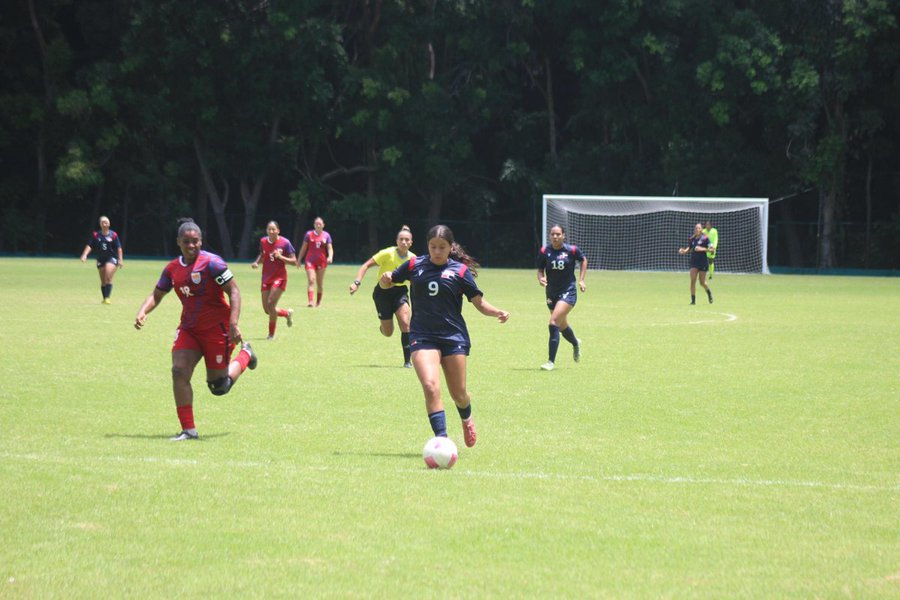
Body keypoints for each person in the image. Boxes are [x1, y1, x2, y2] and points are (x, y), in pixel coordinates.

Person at [379, 225, 509, 448]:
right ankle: (442, 440)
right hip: (422, 335)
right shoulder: (413, 265)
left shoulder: (459, 271)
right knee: (430, 386)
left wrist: (496, 311)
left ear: (451, 247)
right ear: (427, 246)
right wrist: (385, 279)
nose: (437, 251)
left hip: (453, 337)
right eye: (432, 247)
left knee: (459, 394)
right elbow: (388, 282)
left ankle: (467, 419)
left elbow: (478, 302)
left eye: (442, 247)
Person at [134, 218, 257, 441]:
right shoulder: (172, 269)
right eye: (186, 241)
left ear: (201, 241)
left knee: (219, 387)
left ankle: (246, 354)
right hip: (189, 329)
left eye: (196, 241)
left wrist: (233, 323)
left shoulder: (213, 263)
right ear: (178, 242)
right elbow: (157, 294)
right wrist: (143, 311)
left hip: (217, 330)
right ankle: (189, 430)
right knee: (178, 370)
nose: (192, 246)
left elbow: (234, 292)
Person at [349, 225, 416, 367]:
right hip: (382, 293)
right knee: (388, 332)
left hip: (400, 292)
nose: (404, 242)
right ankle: (383, 326)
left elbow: (416, 279)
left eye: (407, 240)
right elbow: (366, 265)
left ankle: (407, 362)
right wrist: (357, 283)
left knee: (405, 323)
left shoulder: (413, 259)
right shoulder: (387, 253)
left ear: (411, 242)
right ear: (397, 241)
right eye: (401, 239)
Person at [536, 224, 587, 371]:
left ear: (563, 235)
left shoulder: (571, 250)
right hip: (551, 293)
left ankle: (550, 362)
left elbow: (583, 260)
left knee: (553, 323)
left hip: (568, 292)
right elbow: (540, 270)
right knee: (562, 326)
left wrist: (581, 279)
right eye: (553, 234)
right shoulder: (545, 251)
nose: (555, 237)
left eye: (558, 234)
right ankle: (575, 343)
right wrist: (540, 278)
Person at [251, 220, 296, 339]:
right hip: (266, 278)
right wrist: (256, 262)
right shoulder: (263, 241)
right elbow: (262, 254)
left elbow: (294, 261)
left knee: (271, 304)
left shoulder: (285, 243)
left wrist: (280, 257)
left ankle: (271, 335)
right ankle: (286, 313)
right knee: (267, 310)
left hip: (280, 278)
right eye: (269, 229)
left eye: (273, 229)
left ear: (278, 231)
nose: (271, 231)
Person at [80, 215, 124, 304]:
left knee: (108, 274)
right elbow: (90, 246)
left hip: (111, 258)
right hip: (101, 259)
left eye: (107, 222)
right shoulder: (96, 235)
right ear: (100, 224)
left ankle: (107, 298)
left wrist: (120, 259)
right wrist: (85, 255)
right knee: (103, 280)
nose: (105, 223)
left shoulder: (113, 235)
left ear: (109, 224)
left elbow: (119, 248)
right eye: (103, 222)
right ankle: (104, 298)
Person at [296, 216, 333, 307]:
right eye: (316, 224)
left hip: (322, 262)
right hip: (310, 261)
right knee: (311, 280)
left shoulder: (326, 235)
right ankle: (310, 301)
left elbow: (330, 248)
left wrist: (330, 256)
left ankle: (318, 302)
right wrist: (299, 259)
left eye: (320, 224)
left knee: (319, 283)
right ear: (314, 225)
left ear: (323, 225)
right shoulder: (309, 235)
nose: (318, 225)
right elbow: (304, 248)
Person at [679, 223, 714, 305]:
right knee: (693, 280)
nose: (697, 229)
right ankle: (693, 301)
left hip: (703, 263)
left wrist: (703, 249)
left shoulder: (705, 238)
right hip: (694, 263)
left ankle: (709, 292)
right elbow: (690, 248)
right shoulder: (692, 238)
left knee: (702, 283)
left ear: (701, 229)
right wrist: (684, 251)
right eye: (695, 228)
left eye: (698, 228)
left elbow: (711, 249)